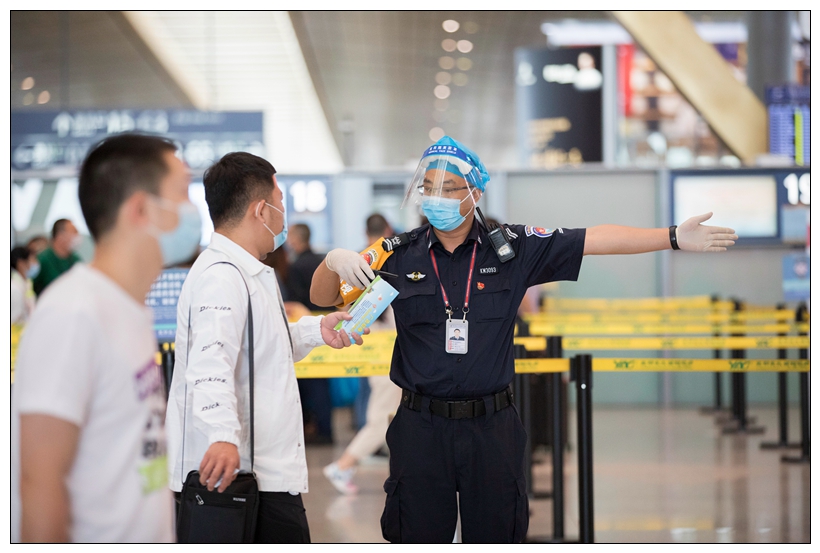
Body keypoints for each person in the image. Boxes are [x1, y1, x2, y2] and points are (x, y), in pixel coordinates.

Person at [310, 135, 738, 543]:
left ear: (474, 194)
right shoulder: (396, 253)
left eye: (449, 188)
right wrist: (333, 261)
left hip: (492, 428)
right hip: (420, 428)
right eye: (427, 188)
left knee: (498, 534)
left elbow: (594, 239)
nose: (434, 197)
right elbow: (322, 297)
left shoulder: (512, 249)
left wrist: (672, 237)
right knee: (417, 533)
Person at [164, 152, 368, 544]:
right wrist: (222, 435)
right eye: (280, 200)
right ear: (261, 209)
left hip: (263, 474)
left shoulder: (250, 272)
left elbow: (259, 348)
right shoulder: (222, 277)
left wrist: (314, 330)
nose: (282, 213)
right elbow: (211, 364)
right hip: (237, 478)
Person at [11, 133, 199, 542]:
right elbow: (39, 481)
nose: (192, 210)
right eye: (183, 193)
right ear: (141, 209)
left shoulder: (130, 311)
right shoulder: (72, 313)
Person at [322, 213, 404, 495]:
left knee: (388, 415)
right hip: (385, 352)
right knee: (381, 419)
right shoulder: (390, 260)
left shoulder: (358, 261)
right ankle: (343, 464)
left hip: (372, 348)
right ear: (389, 230)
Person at [286, 223, 334, 444]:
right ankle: (326, 429)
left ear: (296, 239)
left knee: (310, 386)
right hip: (328, 327)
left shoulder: (295, 268)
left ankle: (315, 431)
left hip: (307, 330)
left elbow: (296, 301)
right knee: (323, 385)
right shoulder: (322, 262)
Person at [32, 219, 82, 296]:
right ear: (60, 235)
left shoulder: (76, 261)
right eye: (74, 232)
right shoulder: (43, 260)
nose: (77, 235)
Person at [11, 246, 38, 384]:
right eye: (32, 260)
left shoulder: (25, 285)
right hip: (13, 359)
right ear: (21, 263)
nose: (35, 264)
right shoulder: (14, 289)